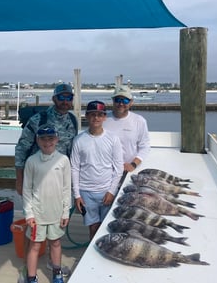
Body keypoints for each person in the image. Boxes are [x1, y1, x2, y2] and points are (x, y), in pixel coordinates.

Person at [15, 83, 77, 281]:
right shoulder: (38, 119)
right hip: (36, 178)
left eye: (69, 98)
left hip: (58, 181)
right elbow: (21, 149)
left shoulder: (73, 121)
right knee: (32, 234)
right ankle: (27, 270)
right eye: (62, 97)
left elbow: (71, 152)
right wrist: (19, 178)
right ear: (54, 99)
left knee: (55, 235)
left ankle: (53, 264)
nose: (65, 101)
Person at [23, 125, 71, 283]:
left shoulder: (63, 160)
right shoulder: (31, 161)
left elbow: (66, 189)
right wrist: (29, 214)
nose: (47, 142)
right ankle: (31, 277)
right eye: (43, 139)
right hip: (37, 215)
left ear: (57, 139)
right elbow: (26, 190)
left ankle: (57, 273)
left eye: (51, 138)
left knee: (55, 243)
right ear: (37, 140)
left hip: (56, 213)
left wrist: (65, 212)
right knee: (35, 246)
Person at [70, 100, 124, 240]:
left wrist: (112, 191)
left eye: (100, 115)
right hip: (86, 192)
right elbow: (74, 168)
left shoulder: (113, 139)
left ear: (105, 117)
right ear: (87, 116)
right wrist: (77, 195)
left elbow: (118, 168)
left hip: (106, 191)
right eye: (92, 114)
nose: (96, 118)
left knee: (108, 227)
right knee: (93, 227)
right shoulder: (78, 140)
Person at [103, 85, 150, 177]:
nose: (121, 104)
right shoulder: (103, 119)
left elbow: (145, 147)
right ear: (113, 101)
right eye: (118, 100)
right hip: (106, 171)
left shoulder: (139, 121)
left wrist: (133, 164)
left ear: (131, 102)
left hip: (128, 171)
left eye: (125, 100)